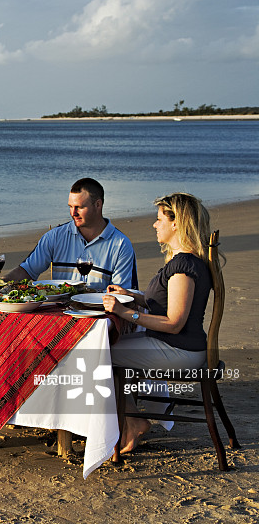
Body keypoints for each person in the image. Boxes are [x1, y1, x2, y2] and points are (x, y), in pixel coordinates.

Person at [103, 192, 215, 452]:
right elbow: (165, 303)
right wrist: (132, 297)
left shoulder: (184, 266)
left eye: (159, 219)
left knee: (95, 356)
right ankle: (129, 420)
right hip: (178, 345)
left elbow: (174, 322)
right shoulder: (184, 261)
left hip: (181, 350)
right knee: (103, 351)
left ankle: (132, 421)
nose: (155, 224)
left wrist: (123, 312)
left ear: (176, 223)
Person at [1, 178, 137, 291]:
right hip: (60, 312)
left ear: (98, 205)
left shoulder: (120, 245)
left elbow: (122, 294)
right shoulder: (54, 237)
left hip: (100, 314)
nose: (73, 213)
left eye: (79, 207)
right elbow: (28, 271)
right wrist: (2, 282)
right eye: (70, 207)